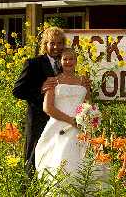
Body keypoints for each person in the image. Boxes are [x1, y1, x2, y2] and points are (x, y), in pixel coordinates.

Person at [12, 27, 90, 178]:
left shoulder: (65, 62)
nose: (56, 47)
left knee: (59, 157)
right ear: (45, 44)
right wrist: (40, 89)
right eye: (52, 43)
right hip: (38, 118)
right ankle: (28, 191)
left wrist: (83, 82)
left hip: (64, 122)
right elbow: (18, 90)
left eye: (59, 43)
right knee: (34, 157)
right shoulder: (33, 63)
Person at [35, 48, 91, 178]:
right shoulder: (54, 81)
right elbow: (47, 107)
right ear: (60, 62)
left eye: (71, 58)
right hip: (59, 127)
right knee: (60, 159)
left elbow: (88, 105)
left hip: (80, 128)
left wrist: (87, 118)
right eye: (65, 59)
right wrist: (70, 120)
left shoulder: (83, 81)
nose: (68, 62)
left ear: (76, 62)